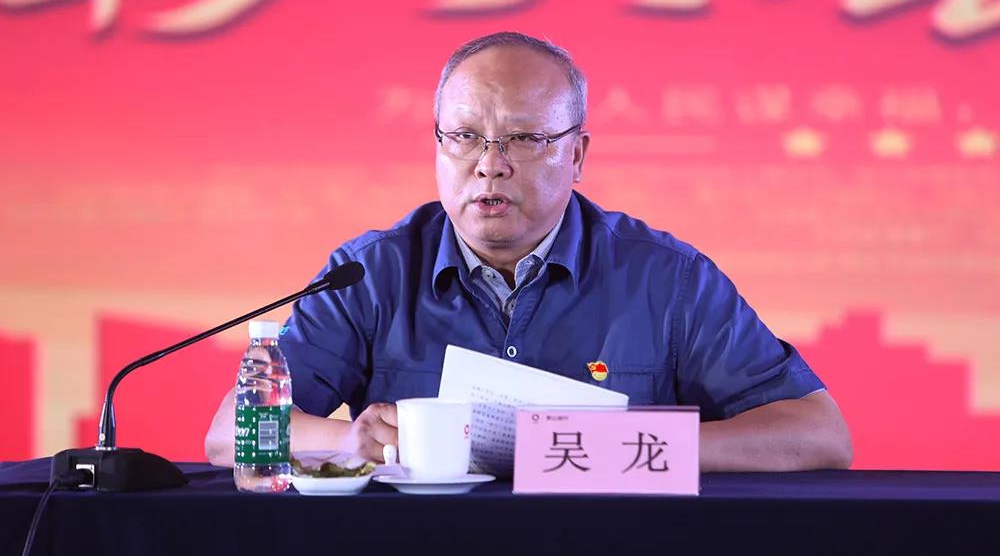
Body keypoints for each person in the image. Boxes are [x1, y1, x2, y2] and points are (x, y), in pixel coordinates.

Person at [205, 32, 853, 471]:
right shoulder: (370, 274)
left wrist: (626, 446)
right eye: (464, 136)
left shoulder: (667, 279)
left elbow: (819, 433)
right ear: (437, 146)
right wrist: (347, 440)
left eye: (523, 139)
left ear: (577, 155)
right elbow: (230, 432)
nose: (490, 164)